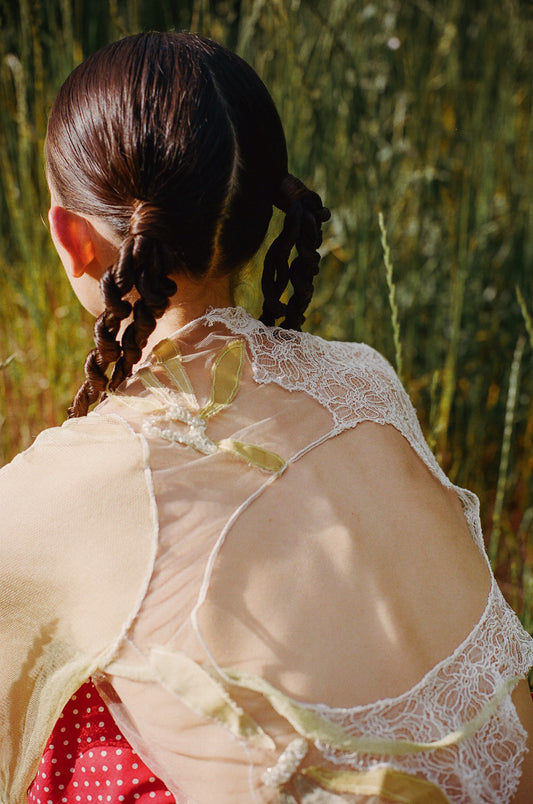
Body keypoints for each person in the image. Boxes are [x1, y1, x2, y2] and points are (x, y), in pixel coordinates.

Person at [1, 31, 533, 804]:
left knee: (70, 700)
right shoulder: (361, 377)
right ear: (261, 215)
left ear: (70, 237)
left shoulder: (64, 493)